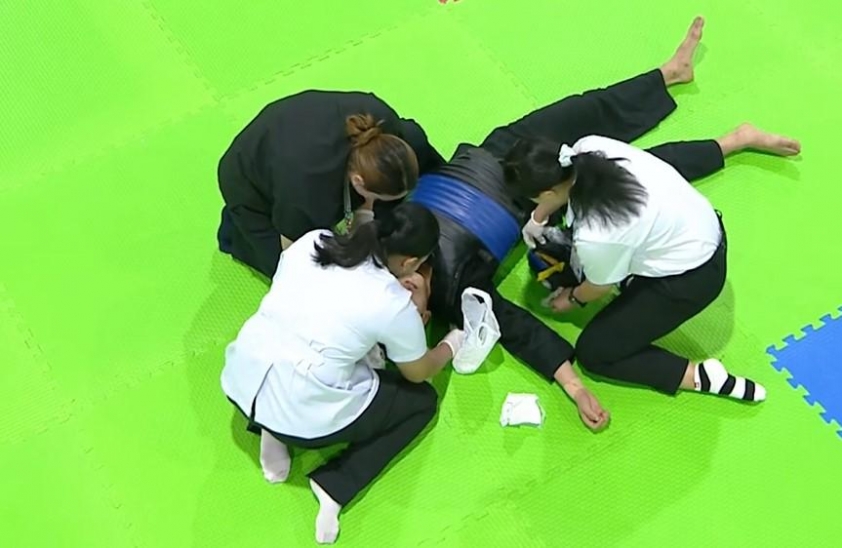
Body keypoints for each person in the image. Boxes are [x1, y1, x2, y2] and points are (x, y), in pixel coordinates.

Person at [220, 202, 463, 545]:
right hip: (299, 414)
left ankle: (269, 430)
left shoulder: (314, 241)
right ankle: (335, 484)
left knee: (308, 348)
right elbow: (419, 372)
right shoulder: (391, 303)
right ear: (410, 263)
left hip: (241, 377)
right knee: (421, 401)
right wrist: (451, 344)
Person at [501, 126, 799, 402]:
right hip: (700, 225)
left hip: (696, 277)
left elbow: (598, 287)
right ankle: (731, 142)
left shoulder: (596, 235)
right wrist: (539, 216)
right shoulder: (590, 147)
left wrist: (573, 298)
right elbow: (564, 196)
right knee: (655, 163)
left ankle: (700, 376)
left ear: (548, 192)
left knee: (594, 353)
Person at [215, 90, 444, 278]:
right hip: (249, 179)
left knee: (416, 141)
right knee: (297, 271)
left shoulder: (384, 121)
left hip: (298, 132)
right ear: (358, 182)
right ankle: (239, 227)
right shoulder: (308, 192)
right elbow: (293, 249)